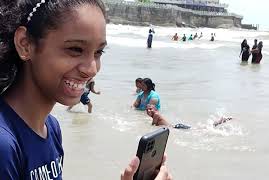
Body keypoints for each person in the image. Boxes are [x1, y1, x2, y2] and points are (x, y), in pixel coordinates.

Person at [0, 0, 171, 179]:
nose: (91, 69)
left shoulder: (51, 127)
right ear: (25, 44)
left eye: (98, 52)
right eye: (75, 49)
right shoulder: (5, 145)